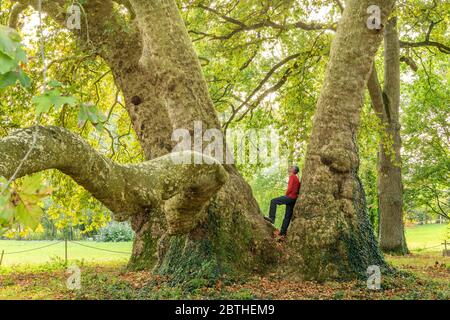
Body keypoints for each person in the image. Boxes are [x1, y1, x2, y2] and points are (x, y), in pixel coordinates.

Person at [264, 166, 301, 236]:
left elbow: (290, 188)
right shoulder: (297, 178)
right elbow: (298, 188)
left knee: (273, 201)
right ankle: (282, 233)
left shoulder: (292, 176)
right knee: (287, 216)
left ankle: (272, 218)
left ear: (293, 170)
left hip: (290, 197)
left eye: (292, 167)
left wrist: (286, 195)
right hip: (294, 199)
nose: (290, 167)